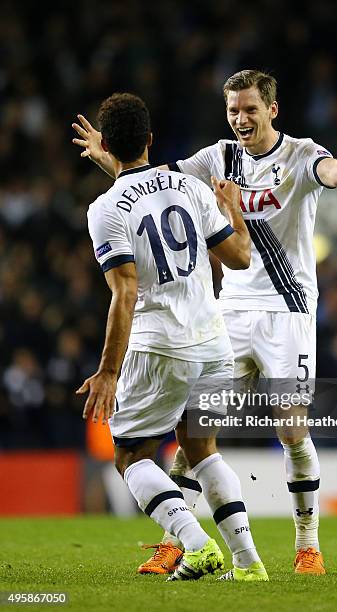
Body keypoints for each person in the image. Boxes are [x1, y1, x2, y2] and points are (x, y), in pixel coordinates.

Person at [73, 70, 337, 575]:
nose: (240, 119)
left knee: (292, 431)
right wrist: (112, 159)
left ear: (272, 110)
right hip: (228, 311)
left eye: (250, 109)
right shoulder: (214, 158)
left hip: (288, 309)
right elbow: (157, 189)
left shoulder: (301, 155)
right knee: (195, 433)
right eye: (234, 110)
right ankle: (180, 537)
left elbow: (334, 171)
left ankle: (307, 544)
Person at [75, 92, 268, 582]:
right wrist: (233, 210)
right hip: (212, 344)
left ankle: (196, 544)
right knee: (203, 450)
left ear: (110, 148)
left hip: (158, 346)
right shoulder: (192, 187)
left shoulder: (104, 208)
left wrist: (108, 371)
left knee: (131, 456)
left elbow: (125, 291)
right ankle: (249, 565)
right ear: (151, 139)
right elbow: (241, 258)